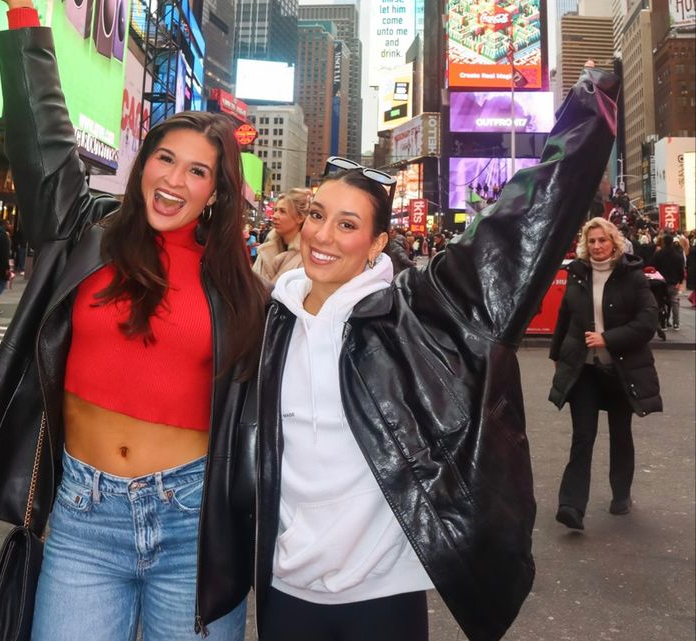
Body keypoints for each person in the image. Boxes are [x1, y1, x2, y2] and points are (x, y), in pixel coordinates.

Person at [254, 60, 620, 641]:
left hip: (382, 591)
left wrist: (589, 110)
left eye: (348, 225)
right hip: (284, 588)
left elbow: (521, 228)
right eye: (318, 216)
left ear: (378, 243)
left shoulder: (416, 312)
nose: (323, 236)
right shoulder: (268, 316)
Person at [0, 0, 266, 640]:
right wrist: (25, 21)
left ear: (216, 192)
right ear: (142, 163)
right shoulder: (86, 234)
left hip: (193, 522)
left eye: (196, 172)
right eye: (165, 158)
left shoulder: (240, 287)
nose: (172, 180)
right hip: (81, 515)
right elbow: (43, 146)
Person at [549, 218, 661, 531]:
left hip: (621, 369)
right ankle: (571, 505)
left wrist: (607, 339)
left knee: (620, 433)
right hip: (584, 370)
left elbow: (647, 322)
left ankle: (621, 494)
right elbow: (565, 316)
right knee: (583, 436)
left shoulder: (632, 276)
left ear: (614, 242)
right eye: (592, 241)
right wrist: (557, 355)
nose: (597, 246)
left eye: (603, 240)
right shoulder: (578, 273)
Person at [253, 188, 311, 281]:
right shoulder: (266, 249)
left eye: (282, 211)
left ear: (300, 218)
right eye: (275, 210)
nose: (275, 216)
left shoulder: (308, 256)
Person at [651, 233, 686, 330]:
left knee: (661, 302)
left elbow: (653, 267)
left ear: (663, 242)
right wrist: (680, 280)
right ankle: (676, 323)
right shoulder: (677, 255)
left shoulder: (658, 254)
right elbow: (681, 269)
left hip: (660, 282)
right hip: (673, 282)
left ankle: (663, 323)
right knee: (674, 302)